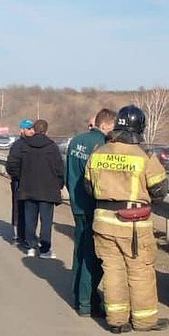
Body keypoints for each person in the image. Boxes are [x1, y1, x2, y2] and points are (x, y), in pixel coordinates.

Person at [84, 106, 169, 333]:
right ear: (140, 128)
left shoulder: (99, 152)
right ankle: (144, 321)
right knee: (140, 271)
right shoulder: (143, 157)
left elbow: (87, 186)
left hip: (102, 221)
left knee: (112, 271)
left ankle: (117, 321)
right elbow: (160, 190)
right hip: (133, 225)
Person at [65, 108, 113, 316]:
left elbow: (68, 173)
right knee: (93, 256)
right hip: (94, 207)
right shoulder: (103, 146)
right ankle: (88, 301)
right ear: (105, 125)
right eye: (113, 126)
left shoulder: (75, 141)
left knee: (80, 252)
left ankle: (77, 295)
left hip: (77, 204)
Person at [9, 119, 63, 258]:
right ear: (46, 131)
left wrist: (20, 178)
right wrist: (59, 185)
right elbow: (59, 169)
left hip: (28, 188)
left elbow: (12, 164)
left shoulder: (24, 145)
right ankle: (45, 250)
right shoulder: (52, 147)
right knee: (46, 222)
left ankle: (31, 247)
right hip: (47, 190)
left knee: (29, 219)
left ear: (34, 130)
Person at [5, 120, 34, 245]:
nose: (31, 131)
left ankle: (28, 235)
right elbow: (11, 165)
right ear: (22, 130)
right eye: (28, 129)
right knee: (18, 207)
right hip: (19, 182)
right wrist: (19, 177)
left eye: (32, 128)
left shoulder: (34, 144)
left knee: (30, 209)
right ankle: (17, 234)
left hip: (31, 182)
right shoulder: (17, 145)